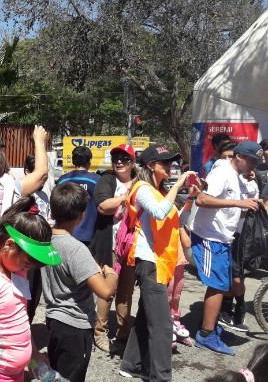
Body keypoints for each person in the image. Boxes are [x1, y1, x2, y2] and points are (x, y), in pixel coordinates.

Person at [0, 197, 61, 382]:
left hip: (15, 375)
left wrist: (33, 355)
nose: (28, 268)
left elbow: (19, 318)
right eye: (27, 262)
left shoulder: (16, 269)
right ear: (9, 245)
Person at [119, 145, 194, 381]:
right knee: (162, 325)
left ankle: (131, 364)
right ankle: (161, 377)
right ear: (151, 165)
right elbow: (159, 213)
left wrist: (191, 198)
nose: (170, 166)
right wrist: (178, 185)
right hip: (149, 262)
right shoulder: (142, 188)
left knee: (145, 318)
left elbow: (177, 221)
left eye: (171, 162)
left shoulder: (160, 191)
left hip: (159, 261)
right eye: (165, 162)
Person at [41, 182, 118, 382]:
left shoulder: (45, 240)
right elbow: (105, 291)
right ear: (81, 215)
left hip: (54, 320)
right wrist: (111, 274)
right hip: (75, 325)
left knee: (56, 375)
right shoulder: (76, 249)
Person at [192, 140, 262, 356]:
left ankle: (211, 326)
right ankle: (206, 334)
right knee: (217, 286)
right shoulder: (222, 172)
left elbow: (231, 208)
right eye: (252, 161)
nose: (254, 166)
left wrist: (248, 205)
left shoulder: (236, 175)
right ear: (239, 156)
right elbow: (201, 199)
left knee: (222, 285)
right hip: (209, 236)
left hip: (223, 237)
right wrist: (238, 203)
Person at [91, 144, 137, 353]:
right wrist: (129, 196)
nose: (119, 162)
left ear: (133, 162)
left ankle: (123, 333)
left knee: (126, 292)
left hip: (133, 246)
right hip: (111, 244)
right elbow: (103, 206)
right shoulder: (107, 180)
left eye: (124, 158)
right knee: (107, 290)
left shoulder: (141, 181)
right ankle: (100, 332)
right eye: (116, 158)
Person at [218, 168, 260, 333]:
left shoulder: (251, 183)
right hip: (224, 233)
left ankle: (240, 306)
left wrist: (250, 180)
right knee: (228, 274)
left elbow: (253, 207)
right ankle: (226, 309)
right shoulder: (224, 174)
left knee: (236, 277)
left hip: (242, 235)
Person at [23, 153, 51, 324]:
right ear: (28, 172)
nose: (43, 180)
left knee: (36, 291)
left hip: (41, 249)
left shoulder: (45, 196)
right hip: (25, 250)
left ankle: (29, 322)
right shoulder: (20, 194)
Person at [57, 146, 100, 247]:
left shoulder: (62, 180)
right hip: (89, 234)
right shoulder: (97, 180)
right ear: (89, 162)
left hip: (64, 233)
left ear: (73, 161)